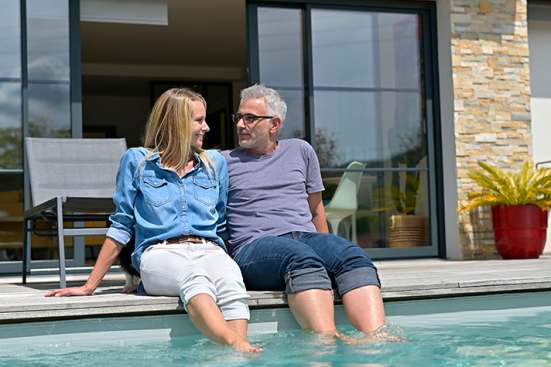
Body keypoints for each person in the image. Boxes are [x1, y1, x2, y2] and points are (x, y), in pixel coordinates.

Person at [46, 88, 261, 352]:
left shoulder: (214, 162)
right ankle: (236, 343)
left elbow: (221, 225)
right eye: (199, 120)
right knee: (194, 278)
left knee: (231, 280)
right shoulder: (137, 161)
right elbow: (122, 225)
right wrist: (90, 286)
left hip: (209, 248)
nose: (206, 127)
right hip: (159, 253)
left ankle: (231, 356)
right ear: (177, 123)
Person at [222, 84, 386, 336]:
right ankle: (327, 343)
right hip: (254, 248)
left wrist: (327, 248)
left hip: (304, 237)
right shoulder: (223, 162)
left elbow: (317, 211)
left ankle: (377, 341)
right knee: (300, 256)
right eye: (239, 117)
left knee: (352, 255)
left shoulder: (301, 150)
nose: (240, 124)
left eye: (250, 118)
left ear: (274, 124)